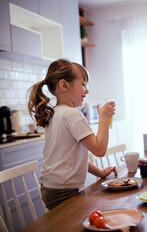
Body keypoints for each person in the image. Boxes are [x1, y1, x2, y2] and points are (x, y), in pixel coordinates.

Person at [28, 59, 117, 210]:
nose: (86, 91)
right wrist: (104, 117)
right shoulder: (72, 114)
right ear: (64, 85)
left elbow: (71, 157)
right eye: (83, 84)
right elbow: (99, 150)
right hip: (63, 190)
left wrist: (100, 172)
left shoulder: (55, 113)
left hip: (51, 188)